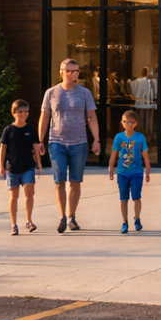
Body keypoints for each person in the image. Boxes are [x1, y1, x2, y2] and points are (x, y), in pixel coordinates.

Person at [39, 58, 99, 233]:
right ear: (61, 72)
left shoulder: (85, 93)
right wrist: (39, 140)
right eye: (70, 71)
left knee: (75, 181)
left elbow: (92, 116)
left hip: (79, 143)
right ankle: (62, 217)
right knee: (59, 180)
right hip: (57, 142)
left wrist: (96, 139)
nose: (74, 74)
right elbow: (44, 117)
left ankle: (72, 216)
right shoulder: (51, 93)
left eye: (76, 71)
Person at [0, 99, 43, 236]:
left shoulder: (31, 130)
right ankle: (13, 225)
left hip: (28, 167)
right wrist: (1, 166)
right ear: (14, 113)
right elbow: (2, 149)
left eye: (26, 111)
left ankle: (29, 221)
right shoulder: (8, 130)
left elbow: (36, 148)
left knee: (29, 192)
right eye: (20, 112)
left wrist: (39, 163)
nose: (24, 114)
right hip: (12, 168)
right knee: (14, 196)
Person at [107, 108, 151, 234]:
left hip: (136, 172)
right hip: (122, 172)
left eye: (131, 122)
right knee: (123, 198)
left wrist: (147, 170)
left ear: (135, 123)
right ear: (122, 123)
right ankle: (124, 221)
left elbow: (145, 155)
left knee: (136, 196)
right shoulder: (119, 137)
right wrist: (111, 168)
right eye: (125, 122)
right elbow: (114, 153)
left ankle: (137, 219)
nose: (128, 124)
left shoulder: (140, 138)